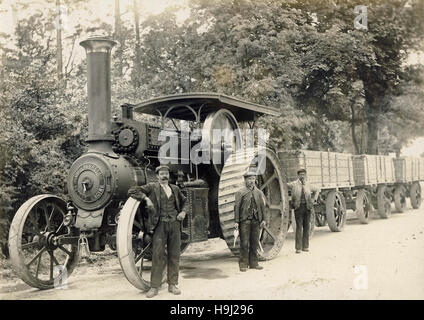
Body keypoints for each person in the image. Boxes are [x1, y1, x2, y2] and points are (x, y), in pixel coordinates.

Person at [128, 165, 188, 298]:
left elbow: (186, 202)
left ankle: (172, 284)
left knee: (174, 255)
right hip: (159, 225)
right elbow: (132, 190)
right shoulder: (151, 187)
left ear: (168, 175)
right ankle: (154, 287)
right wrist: (146, 198)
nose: (164, 175)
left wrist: (183, 212)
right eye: (161, 173)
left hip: (174, 224)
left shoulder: (175, 189)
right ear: (157, 176)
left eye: (166, 173)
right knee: (157, 255)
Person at [234, 169, 267, 272]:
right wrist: (236, 221)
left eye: (253, 178)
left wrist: (264, 219)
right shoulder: (240, 192)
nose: (251, 181)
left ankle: (254, 263)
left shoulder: (259, 192)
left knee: (254, 242)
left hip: (256, 221)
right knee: (244, 243)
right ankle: (243, 264)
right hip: (245, 221)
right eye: (249, 179)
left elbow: (262, 207)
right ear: (245, 180)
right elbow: (237, 207)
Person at [287, 169, 320, 253]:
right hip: (298, 208)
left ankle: (305, 247)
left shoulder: (308, 184)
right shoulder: (293, 184)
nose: (302, 176)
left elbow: (317, 190)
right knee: (298, 227)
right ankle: (298, 248)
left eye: (303, 174)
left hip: (307, 207)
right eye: (300, 174)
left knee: (306, 227)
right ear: (298, 176)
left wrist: (314, 199)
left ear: (305, 175)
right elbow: (284, 185)